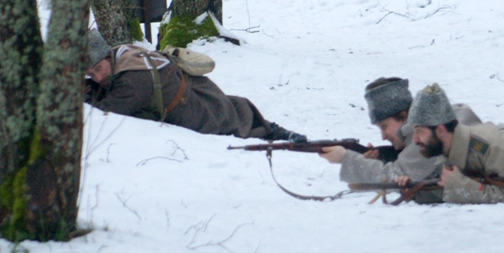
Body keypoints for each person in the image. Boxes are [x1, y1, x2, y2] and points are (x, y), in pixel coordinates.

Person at [85, 30, 305, 141]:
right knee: (235, 112)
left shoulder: (133, 79)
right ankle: (274, 130)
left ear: (108, 58)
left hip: (197, 113)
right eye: (90, 74)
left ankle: (277, 134)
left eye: (97, 69)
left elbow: (106, 112)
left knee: (233, 124)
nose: (96, 77)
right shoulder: (124, 53)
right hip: (198, 94)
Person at [317, 76, 481, 184]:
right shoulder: (440, 118)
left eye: (384, 126)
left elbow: (394, 177)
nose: (382, 136)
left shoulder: (432, 137)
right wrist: (377, 160)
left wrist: (346, 159)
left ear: (404, 117)